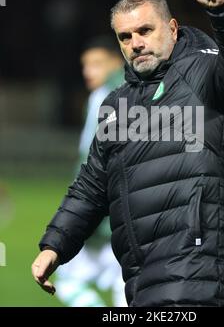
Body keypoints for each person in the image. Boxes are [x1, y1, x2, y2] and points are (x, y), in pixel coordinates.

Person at [32, 0, 224, 307]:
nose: (136, 43)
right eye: (125, 37)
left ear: (172, 29)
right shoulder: (116, 104)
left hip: (195, 272)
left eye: (145, 31)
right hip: (140, 276)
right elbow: (92, 185)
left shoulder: (207, 74)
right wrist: (55, 245)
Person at [54, 36, 127, 307]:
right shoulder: (129, 91)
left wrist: (82, 212)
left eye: (97, 64)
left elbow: (95, 162)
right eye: (86, 65)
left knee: (67, 280)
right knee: (129, 288)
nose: (89, 71)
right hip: (128, 213)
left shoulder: (107, 97)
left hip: (104, 212)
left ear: (116, 62)